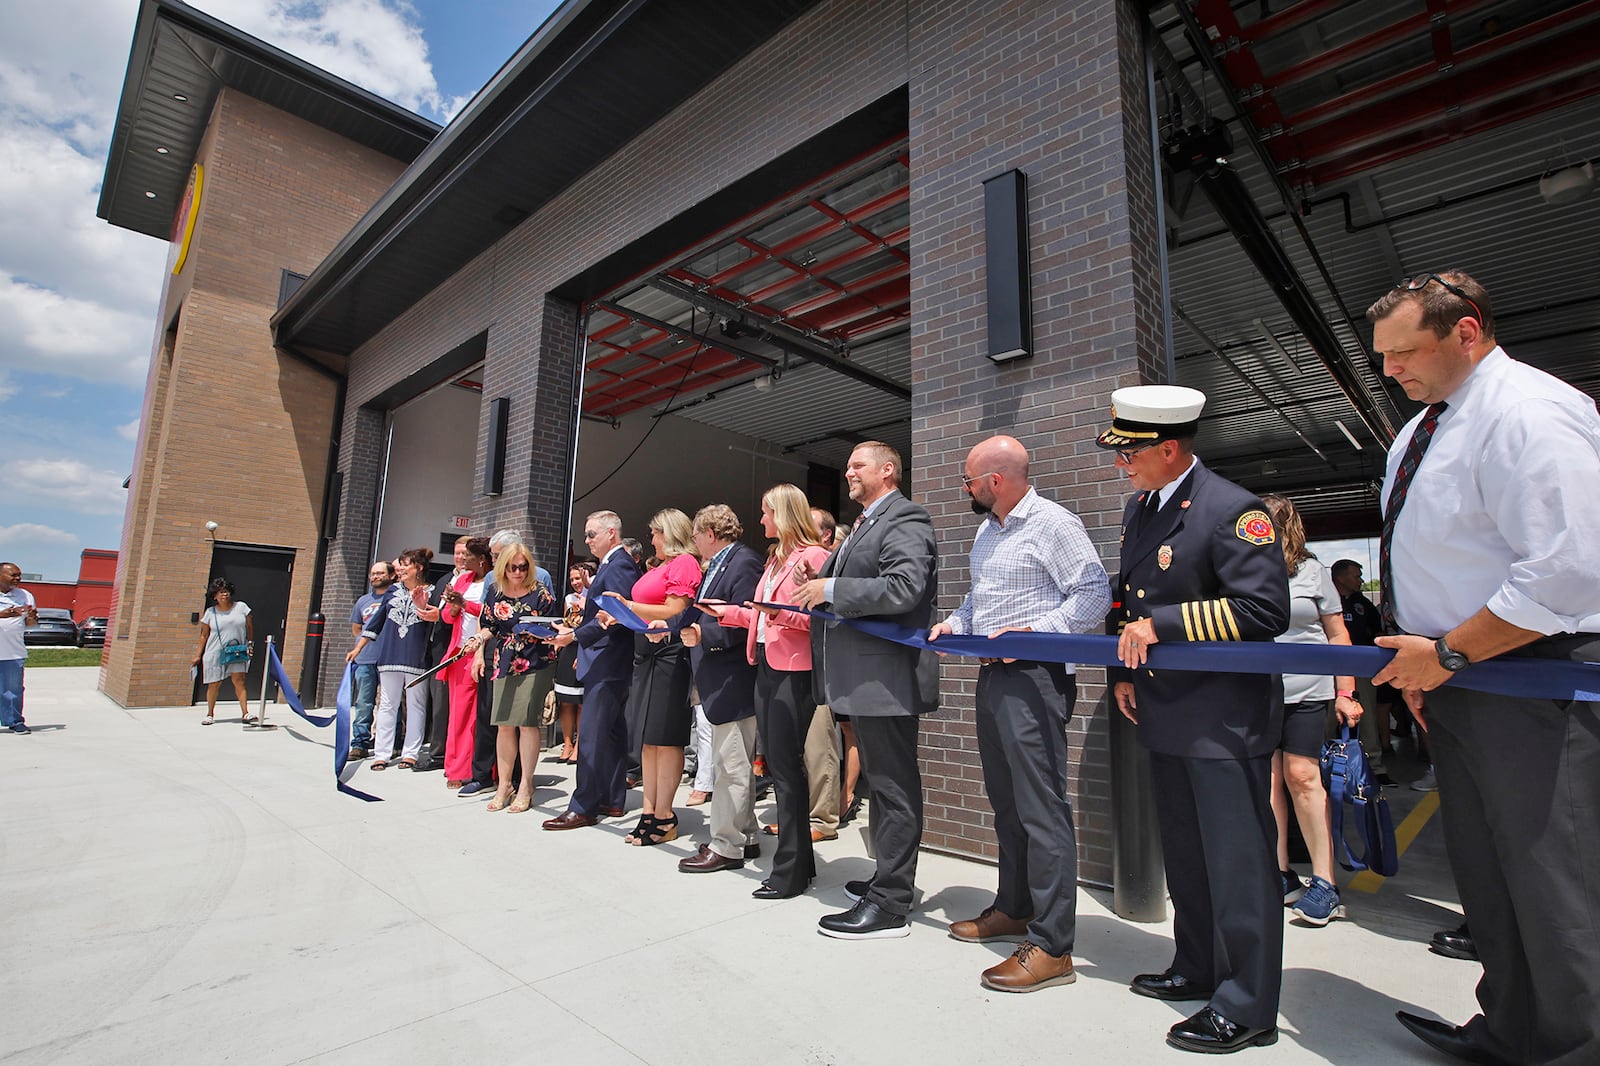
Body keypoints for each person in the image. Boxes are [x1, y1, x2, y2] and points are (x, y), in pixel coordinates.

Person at [1365, 271, 1600, 1066]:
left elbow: (1566, 572)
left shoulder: (1530, 411)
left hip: (1528, 672)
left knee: (1553, 874)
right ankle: (1513, 1027)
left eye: (1405, 353)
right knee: (1489, 870)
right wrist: (1431, 666)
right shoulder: (1422, 427)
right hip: (1457, 676)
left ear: (1467, 331)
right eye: (1383, 357)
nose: (1391, 370)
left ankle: (1575, 1045)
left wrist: (1452, 652)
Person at [1100, 385, 1289, 1055]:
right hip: (1165, 708)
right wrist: (1124, 669)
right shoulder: (1139, 509)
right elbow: (1129, 599)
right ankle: (1198, 965)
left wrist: (1165, 626)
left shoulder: (1234, 510)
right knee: (1186, 855)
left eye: (1132, 455)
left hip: (1222, 718)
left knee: (1238, 864)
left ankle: (1248, 1002)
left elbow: (1265, 612)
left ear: (1170, 449)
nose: (1123, 466)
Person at [928, 434, 1111, 991]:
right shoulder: (989, 530)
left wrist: (1036, 636)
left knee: (1041, 809)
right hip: (994, 677)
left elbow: (1094, 593)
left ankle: (1054, 947)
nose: (965, 488)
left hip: (1036, 679)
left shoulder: (1054, 523)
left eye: (969, 480)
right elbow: (980, 600)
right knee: (1006, 802)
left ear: (996, 481)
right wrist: (955, 624)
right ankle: (1014, 908)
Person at [793, 441, 939, 939]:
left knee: (894, 788)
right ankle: (888, 879)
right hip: (866, 682)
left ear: (888, 470)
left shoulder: (906, 518)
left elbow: (903, 588)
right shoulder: (869, 522)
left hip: (887, 682)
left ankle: (892, 903)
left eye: (858, 465)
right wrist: (823, 580)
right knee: (884, 785)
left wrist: (831, 590)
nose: (848, 472)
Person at [709, 486, 832, 896]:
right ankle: (799, 866)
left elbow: (819, 622)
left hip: (793, 672)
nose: (760, 519)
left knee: (785, 768)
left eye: (766, 512)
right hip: (767, 666)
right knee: (782, 767)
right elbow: (762, 617)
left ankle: (790, 872)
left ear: (783, 514)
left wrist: (776, 614)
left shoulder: (813, 557)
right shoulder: (777, 558)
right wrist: (727, 612)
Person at [1260, 494, 1361, 927]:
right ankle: (1280, 872)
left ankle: (1325, 883)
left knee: (1302, 777)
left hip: (1307, 691)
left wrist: (1346, 691)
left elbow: (1337, 635)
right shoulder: (1242, 572)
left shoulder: (1314, 572)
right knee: (1267, 783)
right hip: (1256, 693)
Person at [601, 508, 702, 846]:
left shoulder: (685, 562)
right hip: (646, 653)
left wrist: (627, 606)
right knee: (646, 736)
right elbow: (646, 608)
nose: (652, 540)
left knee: (665, 735)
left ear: (669, 533)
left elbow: (675, 610)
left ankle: (665, 814)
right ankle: (649, 811)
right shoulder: (661, 567)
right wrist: (621, 612)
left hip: (670, 654)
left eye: (655, 533)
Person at [676, 504, 765, 876]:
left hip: (733, 678)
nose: (694, 543)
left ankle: (726, 844)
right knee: (732, 761)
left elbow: (747, 618)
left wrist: (704, 634)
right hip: (721, 676)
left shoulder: (742, 562)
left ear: (710, 534)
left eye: (696, 536)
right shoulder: (721, 563)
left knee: (731, 765)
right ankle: (746, 834)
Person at [543, 510, 642, 830]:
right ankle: (612, 799)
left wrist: (574, 636)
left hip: (609, 660)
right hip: (604, 659)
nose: (586, 541)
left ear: (611, 533)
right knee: (609, 734)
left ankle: (583, 805)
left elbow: (613, 617)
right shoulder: (612, 566)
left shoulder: (619, 565)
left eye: (591, 534)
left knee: (592, 737)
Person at [473, 540, 558, 812]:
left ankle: (526, 785)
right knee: (504, 724)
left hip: (535, 658)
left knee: (527, 723)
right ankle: (504, 784)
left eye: (523, 567)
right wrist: (478, 639)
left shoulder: (541, 594)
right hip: (505, 659)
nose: (518, 572)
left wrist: (543, 633)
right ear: (503, 567)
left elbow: (556, 626)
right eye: (513, 567)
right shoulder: (495, 593)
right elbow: (489, 626)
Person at [347, 547, 435, 770]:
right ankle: (382, 754)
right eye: (401, 565)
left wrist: (422, 605)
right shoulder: (392, 591)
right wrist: (359, 648)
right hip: (390, 654)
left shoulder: (432, 591)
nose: (401, 569)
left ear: (419, 568)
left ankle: (410, 753)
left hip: (417, 656)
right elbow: (376, 621)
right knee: (387, 704)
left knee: (415, 705)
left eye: (406, 565)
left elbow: (434, 620)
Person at [813, 507, 862, 828]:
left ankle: (846, 795)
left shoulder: (837, 567)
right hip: (825, 661)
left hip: (846, 659)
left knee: (847, 728)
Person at [1330, 558, 1394, 786]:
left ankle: (1375, 767)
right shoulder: (1326, 598)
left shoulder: (1363, 604)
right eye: (1356, 576)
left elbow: (1378, 633)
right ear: (1340, 577)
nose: (1361, 581)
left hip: (1361, 671)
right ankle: (1330, 766)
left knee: (1366, 718)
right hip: (1331, 671)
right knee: (1329, 720)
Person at [438, 537, 492, 788]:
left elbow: (491, 613)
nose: (462, 558)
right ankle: (456, 769)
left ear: (481, 559)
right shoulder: (461, 580)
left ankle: (483, 769)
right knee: (459, 715)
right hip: (461, 653)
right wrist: (452, 606)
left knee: (482, 715)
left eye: (467, 555)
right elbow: (448, 619)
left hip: (484, 651)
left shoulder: (493, 581)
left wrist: (464, 604)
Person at [346, 561, 394, 758]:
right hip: (365, 659)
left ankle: (390, 742)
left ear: (391, 575)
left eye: (380, 573)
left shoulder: (395, 599)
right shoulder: (363, 601)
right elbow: (357, 629)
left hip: (389, 658)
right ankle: (360, 743)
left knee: (389, 703)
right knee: (364, 703)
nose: (376, 577)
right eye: (373, 573)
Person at [193, 577, 255, 725]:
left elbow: (250, 627)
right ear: (214, 595)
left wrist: (250, 644)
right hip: (214, 651)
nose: (224, 594)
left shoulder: (241, 607)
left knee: (239, 681)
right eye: (220, 592)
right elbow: (204, 635)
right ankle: (210, 714)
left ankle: (245, 713)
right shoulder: (210, 612)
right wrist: (197, 655)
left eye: (226, 591)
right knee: (214, 683)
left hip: (236, 650)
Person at [553, 561, 594, 764]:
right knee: (566, 700)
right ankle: (567, 743)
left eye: (578, 578)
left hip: (584, 648)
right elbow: (565, 622)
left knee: (581, 702)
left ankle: (579, 745)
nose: (576, 582)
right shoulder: (568, 598)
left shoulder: (594, 598)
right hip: (568, 648)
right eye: (572, 579)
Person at [0, 562, 39, 734]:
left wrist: (32, 618)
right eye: (13, 575)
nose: (17, 579)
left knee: (13, 690)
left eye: (19, 575)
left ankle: (15, 721)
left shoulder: (25, 595)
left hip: (12, 652)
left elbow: (30, 624)